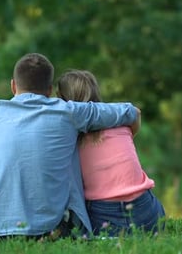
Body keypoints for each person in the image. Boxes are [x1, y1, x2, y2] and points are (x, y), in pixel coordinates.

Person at [0, 53, 140, 240]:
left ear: (13, 86)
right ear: (49, 90)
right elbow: (129, 112)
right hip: (51, 229)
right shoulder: (68, 112)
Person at [57, 70, 165, 237]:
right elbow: (136, 115)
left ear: (61, 98)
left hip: (105, 215)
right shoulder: (122, 125)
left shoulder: (72, 139)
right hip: (148, 212)